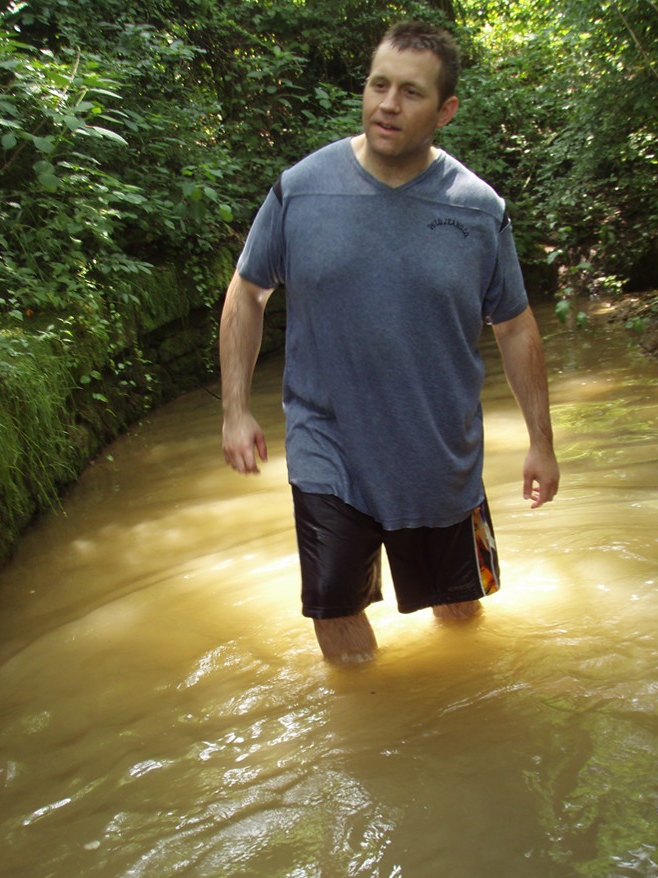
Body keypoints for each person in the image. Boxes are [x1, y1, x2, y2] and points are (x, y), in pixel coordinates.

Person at [220, 20, 559, 663]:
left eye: (410, 92)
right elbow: (247, 294)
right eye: (378, 85)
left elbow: (514, 327)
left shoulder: (478, 210)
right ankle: (370, 744)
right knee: (335, 615)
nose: (387, 104)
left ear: (446, 110)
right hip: (328, 448)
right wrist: (235, 410)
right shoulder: (301, 190)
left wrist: (541, 443)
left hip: (439, 453)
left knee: (461, 617)